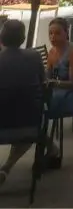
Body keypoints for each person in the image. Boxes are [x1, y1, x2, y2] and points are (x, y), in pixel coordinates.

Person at [0, 20, 49, 186]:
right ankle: (6, 167)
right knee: (34, 121)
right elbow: (44, 83)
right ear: (22, 38)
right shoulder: (34, 56)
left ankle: (5, 169)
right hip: (29, 126)